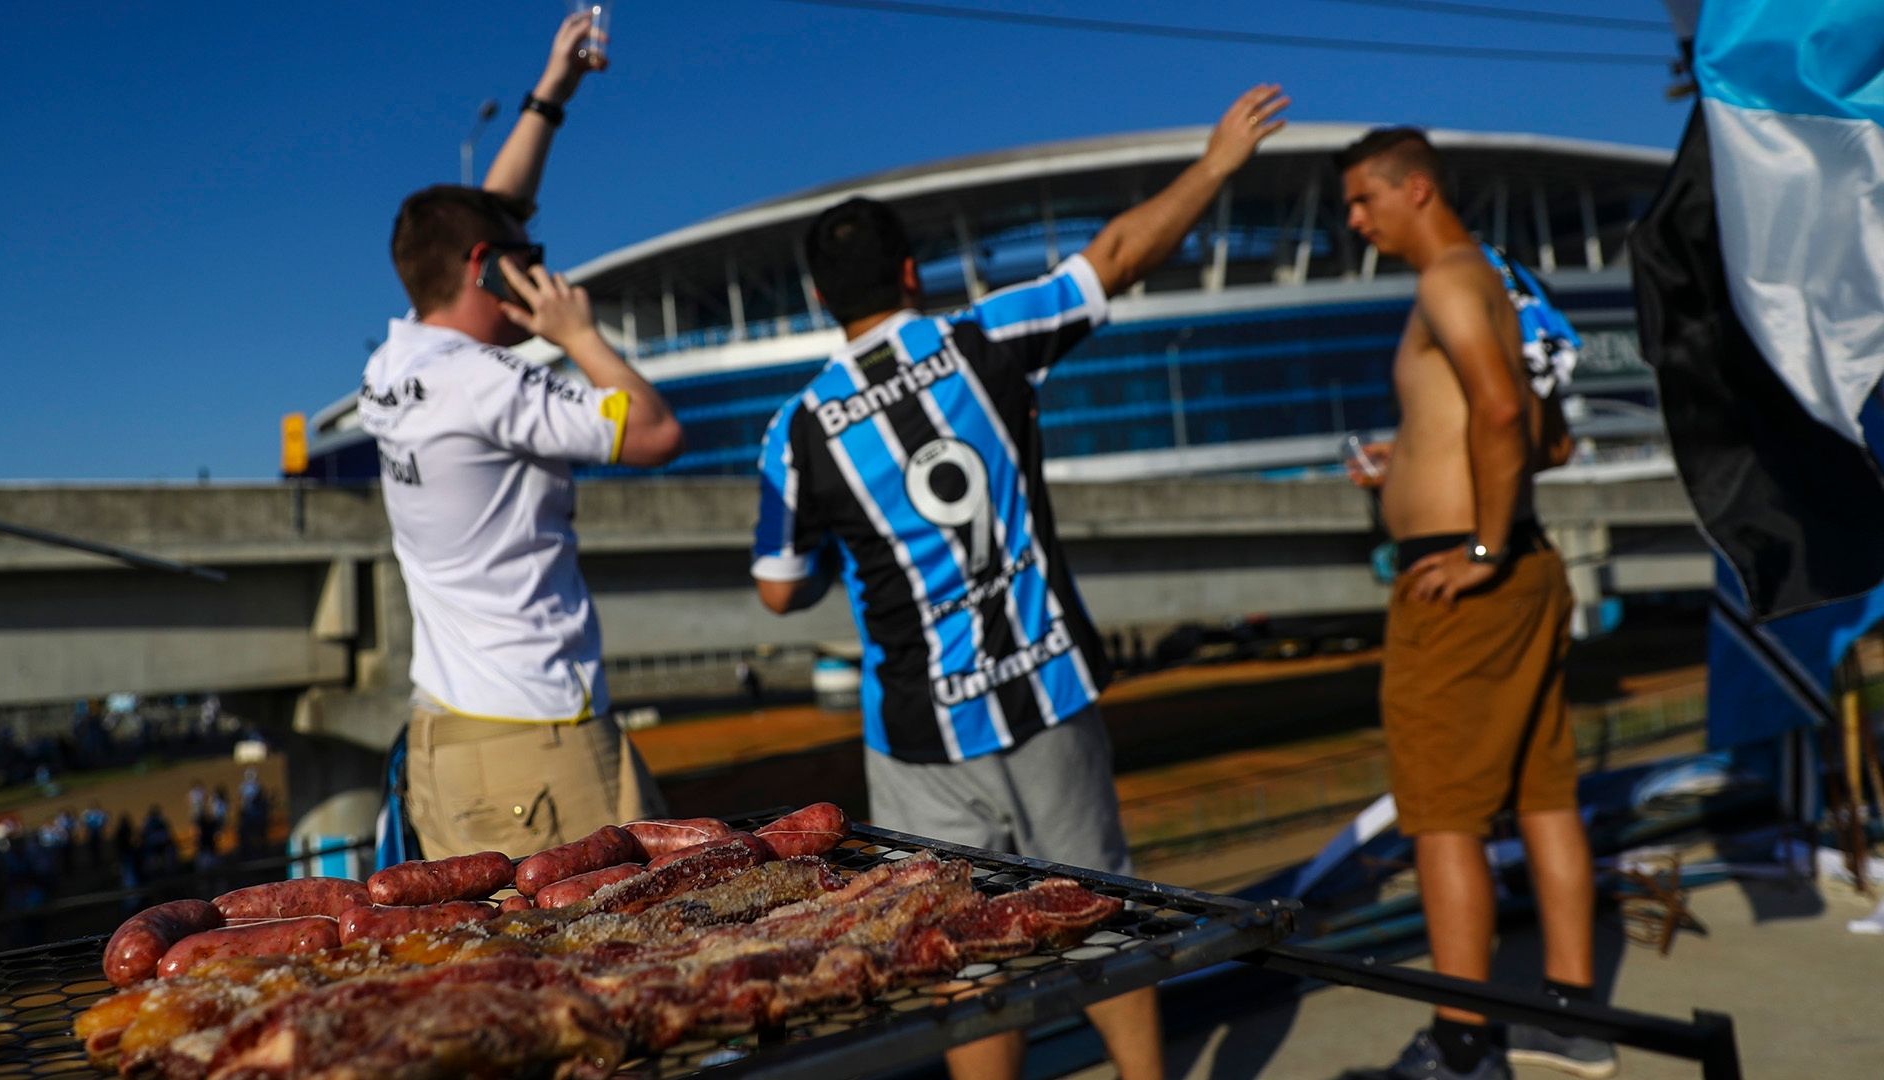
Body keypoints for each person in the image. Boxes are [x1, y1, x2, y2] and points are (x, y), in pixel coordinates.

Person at [750, 84, 1290, 1080]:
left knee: (955, 938)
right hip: (1045, 693)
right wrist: (1217, 163)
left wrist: (844, 544)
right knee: (1100, 907)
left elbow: (780, 588)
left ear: (825, 304)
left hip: (919, 736)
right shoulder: (981, 340)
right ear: (912, 273)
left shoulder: (798, 431)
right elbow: (1117, 255)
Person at [360, 12, 682, 861]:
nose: (534, 263)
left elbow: (489, 216)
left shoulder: (394, 362)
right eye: (520, 254)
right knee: (609, 967)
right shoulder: (489, 382)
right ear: (484, 269)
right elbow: (654, 432)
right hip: (536, 738)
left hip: (452, 730)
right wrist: (577, 333)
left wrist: (551, 94)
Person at [1334, 128, 1608, 1080]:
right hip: (1518, 566)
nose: (1355, 221)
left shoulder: (1448, 279)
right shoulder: (1498, 281)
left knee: (1443, 810)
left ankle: (1461, 1045)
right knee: (1542, 790)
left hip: (1466, 582)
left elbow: (1497, 412)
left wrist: (1481, 549)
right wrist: (1405, 471)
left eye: (1364, 200)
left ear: (1416, 188)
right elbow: (1549, 439)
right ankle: (1570, 1016)